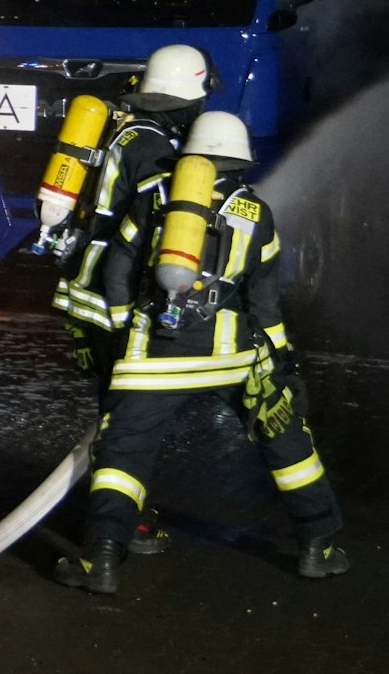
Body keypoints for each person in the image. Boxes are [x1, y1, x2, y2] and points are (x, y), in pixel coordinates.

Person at [56, 111, 347, 595]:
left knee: (122, 455)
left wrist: (127, 325)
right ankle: (319, 545)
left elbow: (118, 268)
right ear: (241, 161)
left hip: (154, 359)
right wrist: (279, 362)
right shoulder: (257, 212)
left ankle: (102, 560)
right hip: (234, 356)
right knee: (285, 440)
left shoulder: (154, 197)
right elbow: (265, 301)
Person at [50, 43, 217, 551]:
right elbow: (150, 226)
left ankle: (121, 512)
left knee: (117, 414)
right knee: (128, 424)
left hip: (89, 285)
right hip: (114, 293)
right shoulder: (156, 147)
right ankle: (120, 524)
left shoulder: (122, 128)